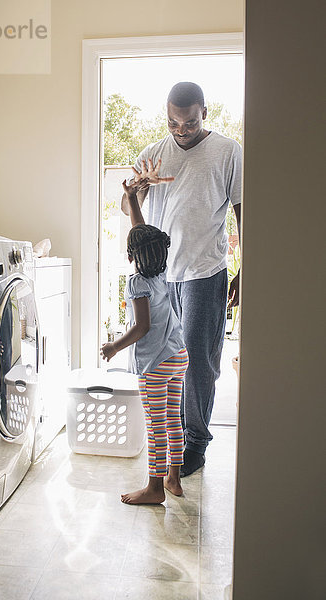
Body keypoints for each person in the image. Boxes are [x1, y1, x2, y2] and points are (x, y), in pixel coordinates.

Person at [121, 82, 242, 476]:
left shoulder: (227, 152)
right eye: (173, 122)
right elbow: (127, 204)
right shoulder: (153, 154)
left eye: (189, 121)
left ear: (203, 112)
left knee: (199, 362)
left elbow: (243, 210)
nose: (181, 129)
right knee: (165, 359)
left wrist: (247, 268)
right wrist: (136, 188)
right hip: (159, 276)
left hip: (205, 272)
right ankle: (172, 442)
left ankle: (195, 443)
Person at [100, 174, 189, 505]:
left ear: (130, 256)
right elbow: (144, 236)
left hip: (154, 365)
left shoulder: (137, 283)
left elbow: (142, 327)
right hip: (178, 357)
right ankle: (174, 479)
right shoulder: (163, 272)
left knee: (155, 426)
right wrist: (133, 201)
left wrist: (114, 347)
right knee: (173, 419)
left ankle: (153, 488)